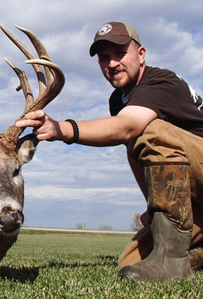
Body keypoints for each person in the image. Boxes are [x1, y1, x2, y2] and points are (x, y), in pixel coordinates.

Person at [16, 21, 203, 281]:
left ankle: (172, 263)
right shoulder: (118, 100)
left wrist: (62, 129)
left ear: (141, 54)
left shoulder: (161, 82)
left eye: (119, 53)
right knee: (131, 260)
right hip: (190, 197)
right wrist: (153, 204)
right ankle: (185, 255)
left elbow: (128, 128)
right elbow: (134, 151)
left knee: (151, 131)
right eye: (105, 58)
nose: (112, 63)